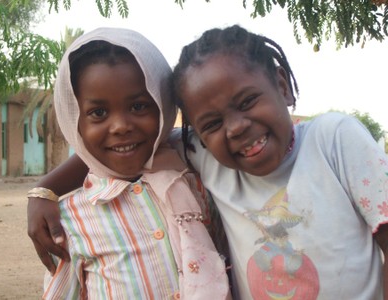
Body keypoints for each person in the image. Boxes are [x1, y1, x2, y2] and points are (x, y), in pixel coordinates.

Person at [28, 25, 388, 299]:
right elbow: (125, 147)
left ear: (283, 85)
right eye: (212, 124)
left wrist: (43, 188)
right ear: (197, 131)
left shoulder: (333, 139)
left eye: (247, 101)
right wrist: (43, 190)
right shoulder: (208, 157)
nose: (235, 128)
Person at [32, 27, 231, 299]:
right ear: (74, 120)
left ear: (163, 104)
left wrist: (45, 187)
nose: (121, 126)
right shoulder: (69, 221)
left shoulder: (197, 178)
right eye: (98, 112)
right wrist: (42, 191)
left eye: (138, 106)